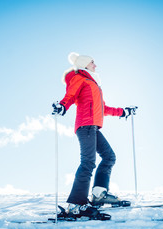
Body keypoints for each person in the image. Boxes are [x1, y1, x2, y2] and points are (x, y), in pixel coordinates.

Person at [52, 52, 137, 219]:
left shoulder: (94, 84)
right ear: (84, 64)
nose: (96, 65)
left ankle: (99, 194)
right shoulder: (79, 78)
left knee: (109, 156)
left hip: (94, 127)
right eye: (92, 62)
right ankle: (77, 204)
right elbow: (70, 95)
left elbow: (103, 109)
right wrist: (62, 106)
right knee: (88, 162)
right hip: (85, 126)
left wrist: (123, 112)